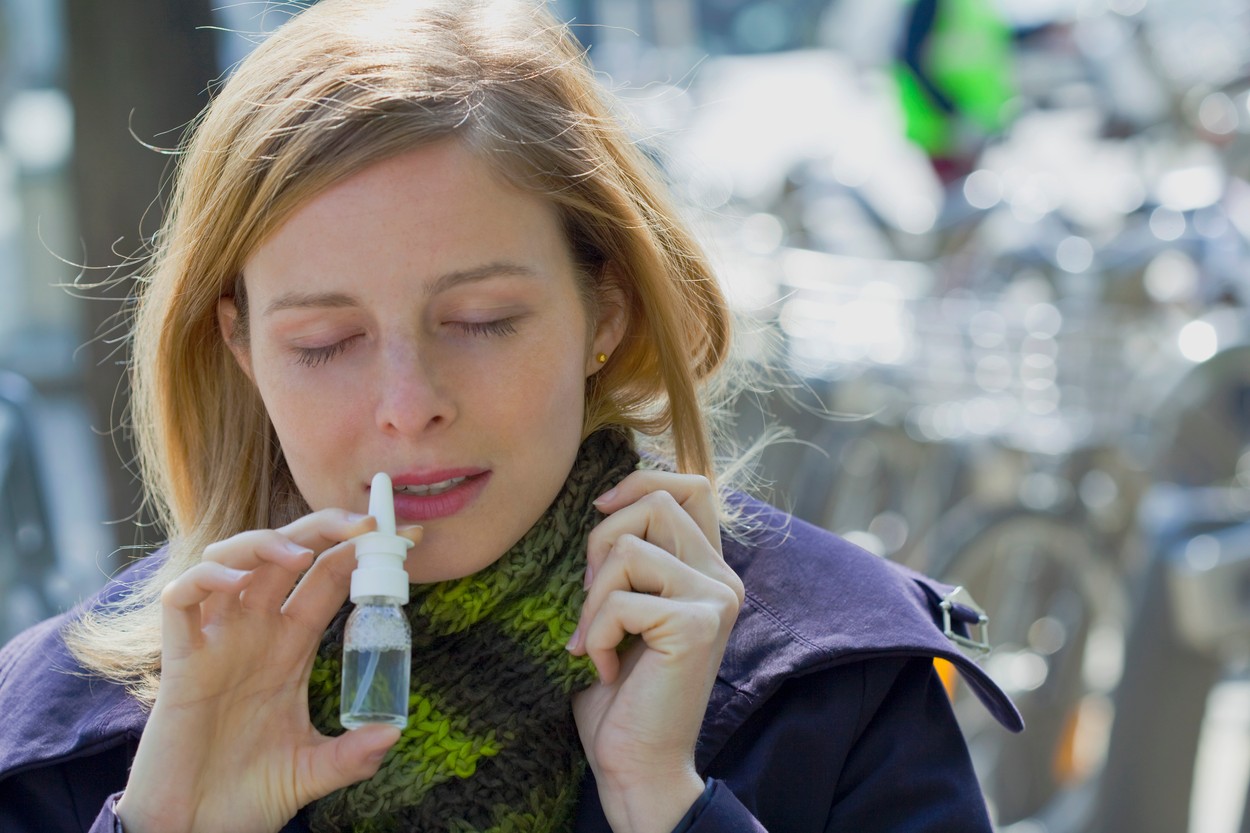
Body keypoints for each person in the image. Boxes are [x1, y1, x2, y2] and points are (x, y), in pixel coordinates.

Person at [0, 1, 1021, 830]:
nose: (408, 407)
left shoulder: (829, 687)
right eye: (325, 342)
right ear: (241, 347)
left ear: (602, 312)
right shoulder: (68, 727)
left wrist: (669, 804)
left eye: (481, 320)